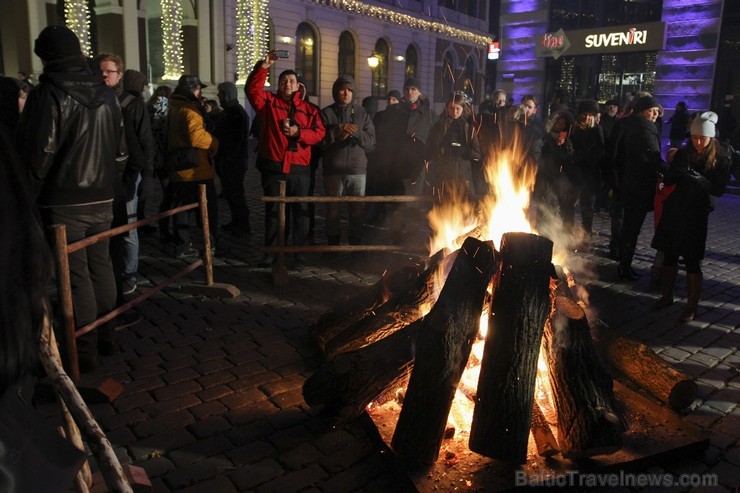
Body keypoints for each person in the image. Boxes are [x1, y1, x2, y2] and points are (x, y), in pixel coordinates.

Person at [16, 26, 126, 372]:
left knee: (76, 276)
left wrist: (27, 198)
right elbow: (120, 154)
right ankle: (106, 334)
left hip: (64, 201)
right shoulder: (107, 94)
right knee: (101, 266)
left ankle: (84, 350)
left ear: (47, 57)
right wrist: (108, 185)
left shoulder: (49, 93)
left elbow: (39, 155)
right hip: (103, 198)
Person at [245, 51, 326, 268]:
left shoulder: (309, 110)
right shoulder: (268, 103)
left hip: (299, 168)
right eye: (283, 81)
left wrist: (299, 133)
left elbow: (319, 134)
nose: (287, 84)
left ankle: (298, 253)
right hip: (274, 166)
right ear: (279, 85)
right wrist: (264, 66)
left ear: (299, 86)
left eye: (291, 81)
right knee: (274, 213)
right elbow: (252, 91)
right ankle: (272, 251)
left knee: (300, 212)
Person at [651, 112, 731, 321]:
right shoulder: (683, 154)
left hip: (697, 212)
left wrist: (702, 181)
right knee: (670, 254)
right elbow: (668, 181)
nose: (697, 142)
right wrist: (673, 170)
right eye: (695, 137)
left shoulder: (720, 159)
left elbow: (719, 189)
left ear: (710, 138)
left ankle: (691, 306)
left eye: (702, 138)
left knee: (692, 259)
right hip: (676, 209)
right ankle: (666, 295)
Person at [98, 54, 155, 299]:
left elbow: (144, 142)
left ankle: (129, 275)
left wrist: (144, 176)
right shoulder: (96, 100)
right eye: (100, 71)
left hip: (129, 174)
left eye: (108, 72)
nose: (104, 76)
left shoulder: (132, 103)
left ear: (120, 74)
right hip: (104, 178)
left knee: (128, 228)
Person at [167, 74, 219, 258]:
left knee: (182, 210)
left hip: (179, 167)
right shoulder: (189, 109)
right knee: (206, 210)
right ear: (192, 89)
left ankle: (182, 245)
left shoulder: (173, 106)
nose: (200, 92)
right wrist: (214, 142)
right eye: (198, 89)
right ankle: (208, 244)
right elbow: (196, 136)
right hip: (197, 169)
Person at [320, 75, 375, 245]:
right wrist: (337, 132)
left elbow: (371, 142)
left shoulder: (362, 113)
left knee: (357, 210)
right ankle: (333, 244)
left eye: (349, 90)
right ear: (336, 91)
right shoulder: (326, 113)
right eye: (342, 89)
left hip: (357, 171)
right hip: (333, 171)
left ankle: (355, 244)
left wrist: (355, 132)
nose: (346, 93)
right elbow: (319, 142)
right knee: (333, 210)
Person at [617, 95, 665, 280]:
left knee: (629, 227)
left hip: (631, 183)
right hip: (639, 185)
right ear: (642, 111)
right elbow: (653, 157)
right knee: (632, 228)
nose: (654, 115)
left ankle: (624, 263)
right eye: (651, 111)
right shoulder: (645, 129)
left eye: (656, 112)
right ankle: (625, 265)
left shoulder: (633, 125)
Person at [388, 77, 435, 243]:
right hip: (397, 163)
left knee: (414, 204)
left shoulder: (428, 114)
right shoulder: (395, 111)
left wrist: (425, 153)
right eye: (407, 89)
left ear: (419, 92)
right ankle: (395, 237)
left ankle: (412, 238)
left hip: (417, 166)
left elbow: (433, 139)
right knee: (397, 203)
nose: (410, 92)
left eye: (413, 89)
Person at [426, 91, 481, 201]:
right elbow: (430, 149)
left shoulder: (468, 128)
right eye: (451, 108)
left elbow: (478, 155)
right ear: (447, 108)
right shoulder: (439, 126)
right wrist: (441, 150)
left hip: (463, 178)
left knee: (463, 210)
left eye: (457, 109)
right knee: (444, 210)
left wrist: (466, 152)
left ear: (462, 109)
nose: (454, 112)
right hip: (443, 177)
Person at [214, 81, 251, 237]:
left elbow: (237, 140)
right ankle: (236, 220)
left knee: (236, 193)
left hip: (234, 161)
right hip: (227, 159)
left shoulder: (237, 113)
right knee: (230, 192)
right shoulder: (229, 111)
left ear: (227, 94)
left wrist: (228, 158)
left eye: (221, 93)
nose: (218, 96)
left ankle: (242, 224)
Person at [568, 99, 605, 241]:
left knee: (587, 206)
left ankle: (586, 233)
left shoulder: (596, 130)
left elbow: (600, 151)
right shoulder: (574, 128)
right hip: (574, 173)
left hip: (589, 174)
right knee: (569, 203)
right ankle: (568, 231)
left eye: (589, 114)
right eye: (584, 114)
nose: (586, 117)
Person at [367, 90, 404, 224]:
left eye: (394, 99)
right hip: (382, 158)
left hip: (396, 159)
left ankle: (397, 218)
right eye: (389, 99)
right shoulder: (380, 115)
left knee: (395, 189)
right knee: (380, 188)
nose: (391, 101)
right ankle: (379, 212)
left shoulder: (402, 116)